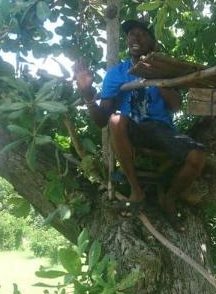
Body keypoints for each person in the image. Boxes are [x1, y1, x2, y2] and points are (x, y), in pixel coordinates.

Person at [74, 20, 205, 216]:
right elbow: (102, 120)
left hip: (162, 130)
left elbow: (176, 106)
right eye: (131, 34)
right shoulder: (116, 74)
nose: (135, 37)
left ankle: (169, 198)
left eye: (142, 33)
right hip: (133, 129)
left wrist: (159, 78)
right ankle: (136, 191)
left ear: (154, 42)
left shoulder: (165, 69)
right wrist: (87, 94)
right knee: (115, 120)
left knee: (198, 156)